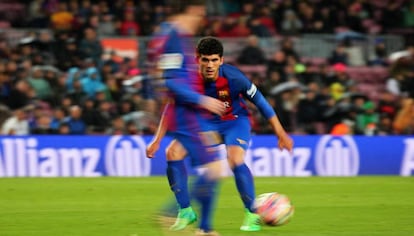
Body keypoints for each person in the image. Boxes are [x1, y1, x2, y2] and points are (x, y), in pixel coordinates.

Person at [147, 37, 294, 232]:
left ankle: (251, 213)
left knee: (235, 158)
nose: (210, 65)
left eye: (214, 60)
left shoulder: (234, 77)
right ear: (198, 59)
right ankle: (185, 211)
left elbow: (261, 102)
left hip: (235, 122)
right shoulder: (188, 80)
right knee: (172, 152)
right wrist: (156, 140)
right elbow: (171, 107)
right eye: (205, 60)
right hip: (206, 125)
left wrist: (281, 133)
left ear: (221, 60)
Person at [147, 2, 226, 236]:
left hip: (189, 114)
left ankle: (202, 226)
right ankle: (176, 213)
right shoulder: (173, 35)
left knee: (177, 154)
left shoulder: (178, 37)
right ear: (193, 10)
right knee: (215, 169)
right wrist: (202, 100)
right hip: (188, 116)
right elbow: (170, 82)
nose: (201, 19)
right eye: (200, 13)